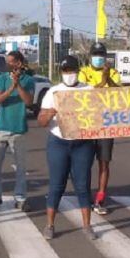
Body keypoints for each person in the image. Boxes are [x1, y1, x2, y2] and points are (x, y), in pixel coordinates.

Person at [38, 55, 97, 241]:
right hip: (59, 142)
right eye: (66, 71)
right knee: (56, 184)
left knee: (83, 184)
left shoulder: (88, 90)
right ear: (61, 72)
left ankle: (87, 226)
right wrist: (51, 113)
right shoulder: (53, 92)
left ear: (78, 71)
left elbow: (100, 115)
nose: (69, 74)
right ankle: (49, 225)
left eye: (72, 70)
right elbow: (41, 121)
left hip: (82, 143)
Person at [0, 50, 35, 212]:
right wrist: (10, 89)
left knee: (21, 167)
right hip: (0, 128)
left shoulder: (29, 80)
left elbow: (29, 102)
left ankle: (20, 198)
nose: (9, 64)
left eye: (11, 61)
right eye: (7, 61)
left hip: (19, 130)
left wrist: (18, 85)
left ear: (19, 63)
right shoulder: (1, 79)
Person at [78, 41, 121, 215]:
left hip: (106, 123)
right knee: (85, 162)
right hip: (87, 123)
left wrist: (107, 78)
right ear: (90, 57)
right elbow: (86, 95)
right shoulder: (83, 73)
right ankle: (85, 196)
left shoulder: (114, 72)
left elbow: (119, 92)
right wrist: (102, 81)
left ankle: (100, 197)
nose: (98, 58)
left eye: (101, 55)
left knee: (104, 162)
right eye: (95, 55)